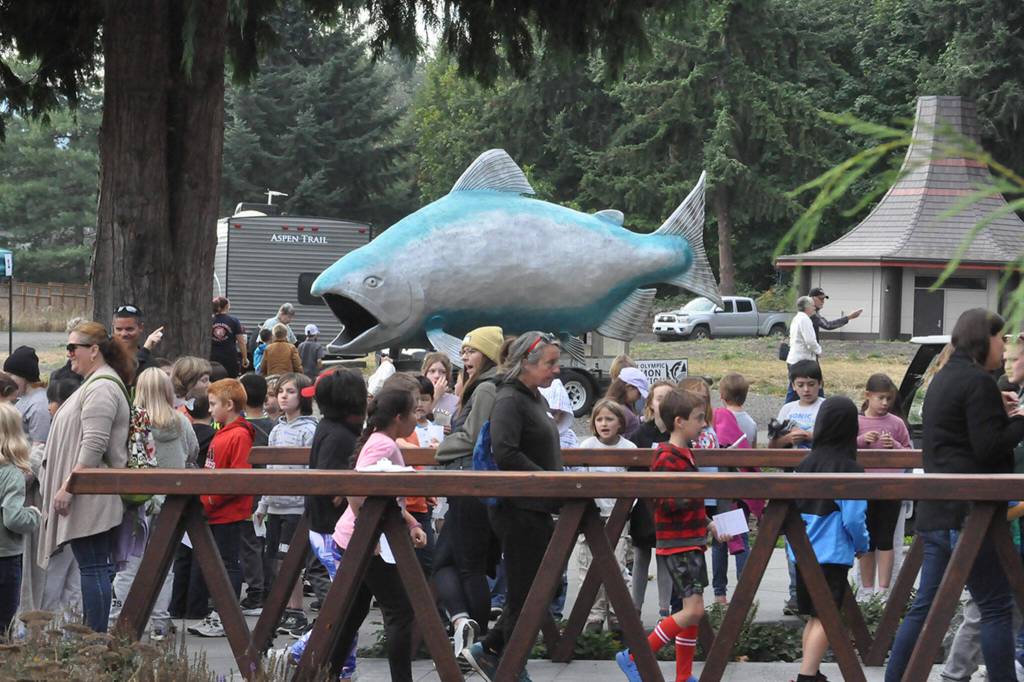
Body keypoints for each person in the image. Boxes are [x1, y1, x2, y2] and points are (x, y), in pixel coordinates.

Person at [886, 308, 1024, 682]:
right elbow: (988, 448)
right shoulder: (978, 383)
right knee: (996, 606)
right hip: (969, 515)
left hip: (937, 511)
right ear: (985, 339)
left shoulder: (943, 378)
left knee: (926, 608)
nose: (1003, 346)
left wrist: (1004, 417)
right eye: (1001, 339)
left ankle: (895, 678)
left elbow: (960, 438)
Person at [461, 331, 563, 681]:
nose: (557, 370)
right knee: (527, 591)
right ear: (526, 364)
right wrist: (550, 484)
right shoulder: (509, 399)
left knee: (538, 588)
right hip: (518, 507)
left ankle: (490, 649)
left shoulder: (534, 398)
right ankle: (506, 660)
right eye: (550, 363)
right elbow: (506, 451)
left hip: (535, 505)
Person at [616, 388, 729, 682]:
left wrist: (707, 523)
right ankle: (634, 656)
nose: (703, 424)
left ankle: (683, 675)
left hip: (690, 542)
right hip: (678, 545)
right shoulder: (666, 457)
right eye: (698, 419)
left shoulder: (683, 453)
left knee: (690, 612)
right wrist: (694, 491)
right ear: (679, 422)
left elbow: (686, 501)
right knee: (692, 611)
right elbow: (664, 501)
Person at [38, 320, 133, 633]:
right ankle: (94, 637)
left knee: (93, 567)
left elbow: (94, 444)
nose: (69, 355)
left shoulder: (103, 386)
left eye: (72, 348)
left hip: (92, 495)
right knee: (93, 567)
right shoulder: (98, 381)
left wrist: (68, 487)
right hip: (90, 493)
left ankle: (94, 639)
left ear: (94, 350)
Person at [332, 388, 427, 682]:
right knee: (400, 611)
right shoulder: (383, 445)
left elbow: (383, 501)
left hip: (356, 539)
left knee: (351, 615)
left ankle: (327, 673)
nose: (416, 417)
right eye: (413, 412)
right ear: (399, 417)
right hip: (362, 541)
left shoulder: (381, 441)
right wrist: (368, 536)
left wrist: (410, 523)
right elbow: (359, 489)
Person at [109, 367, 197, 639]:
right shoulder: (181, 422)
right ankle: (160, 621)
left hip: (140, 504)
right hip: (172, 503)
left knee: (128, 566)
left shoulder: (134, 421)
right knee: (164, 566)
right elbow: (192, 452)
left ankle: (119, 620)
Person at [433, 326, 504, 653]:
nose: (464, 356)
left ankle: (474, 642)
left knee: (467, 566)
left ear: (488, 354)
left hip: (472, 482)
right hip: (470, 483)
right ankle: (463, 623)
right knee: (446, 562)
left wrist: (441, 448)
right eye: (462, 351)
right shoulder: (480, 387)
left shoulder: (487, 388)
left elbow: (476, 437)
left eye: (471, 350)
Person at [788, 396, 869, 682]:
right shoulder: (850, 470)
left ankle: (811, 672)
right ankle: (807, 676)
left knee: (814, 615)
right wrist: (862, 545)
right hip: (831, 553)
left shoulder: (806, 463)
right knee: (826, 616)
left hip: (802, 552)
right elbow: (853, 518)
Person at [187, 378, 255, 638]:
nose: (211, 408)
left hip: (227, 511)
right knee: (220, 563)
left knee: (228, 564)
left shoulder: (238, 434)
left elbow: (237, 476)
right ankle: (219, 612)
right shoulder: (225, 431)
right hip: (216, 509)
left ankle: (225, 615)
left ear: (229, 405)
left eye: (214, 404)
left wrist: (212, 499)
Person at [256, 372, 316, 637]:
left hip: (296, 507)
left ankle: (296, 610)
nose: (283, 395)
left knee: (290, 559)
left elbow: (310, 469)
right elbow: (270, 469)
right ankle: (284, 608)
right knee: (275, 560)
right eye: (280, 391)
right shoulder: (276, 429)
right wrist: (263, 504)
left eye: (290, 391)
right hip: (276, 506)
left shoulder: (309, 430)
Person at [23, 377, 82, 618]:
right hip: (81, 519)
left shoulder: (59, 435)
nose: (49, 407)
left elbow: (45, 470)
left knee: (51, 581)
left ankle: (46, 629)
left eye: (53, 402)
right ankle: (72, 628)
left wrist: (32, 459)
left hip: (58, 521)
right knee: (73, 582)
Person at [576, 398, 635, 633]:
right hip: (593, 518)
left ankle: (619, 616)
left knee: (618, 567)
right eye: (599, 419)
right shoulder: (587, 446)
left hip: (618, 518)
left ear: (619, 423)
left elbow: (636, 484)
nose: (604, 423)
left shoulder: (629, 449)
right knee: (588, 567)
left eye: (609, 419)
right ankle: (594, 616)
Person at [855, 373, 911, 600]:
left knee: (886, 540)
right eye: (881, 398)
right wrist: (861, 441)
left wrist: (895, 446)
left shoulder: (896, 423)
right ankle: (866, 589)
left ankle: (884, 590)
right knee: (867, 540)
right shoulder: (856, 422)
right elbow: (845, 449)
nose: (885, 404)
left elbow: (910, 452)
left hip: (890, 488)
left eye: (889, 399)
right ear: (868, 396)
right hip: (863, 488)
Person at [630, 380, 676, 619]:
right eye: (659, 398)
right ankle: (634, 608)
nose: (663, 403)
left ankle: (664, 610)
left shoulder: (678, 433)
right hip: (644, 505)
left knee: (665, 555)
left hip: (668, 504)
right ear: (650, 403)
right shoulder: (641, 433)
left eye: (669, 398)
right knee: (641, 554)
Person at [0, 403, 40, 636]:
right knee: (3, 626)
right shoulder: (11, 474)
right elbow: (13, 518)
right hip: (5, 557)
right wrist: (33, 515)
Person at [4, 346, 50, 444]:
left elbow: (39, 449)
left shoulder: (39, 405)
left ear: (25, 376)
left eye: (11, 375)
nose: (7, 380)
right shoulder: (24, 397)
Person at [785, 296, 822, 404]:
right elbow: (810, 341)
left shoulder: (797, 318)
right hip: (802, 360)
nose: (814, 307)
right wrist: (819, 351)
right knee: (811, 386)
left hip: (793, 358)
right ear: (807, 307)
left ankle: (787, 412)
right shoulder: (805, 319)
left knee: (795, 387)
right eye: (812, 305)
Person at [112, 304, 164, 382]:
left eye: (129, 329)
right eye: (119, 329)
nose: (123, 334)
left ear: (141, 328)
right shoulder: (105, 358)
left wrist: (145, 352)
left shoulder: (150, 364)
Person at [605, 367, 649, 440]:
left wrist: (639, 420)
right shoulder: (622, 410)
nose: (639, 398)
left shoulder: (610, 405)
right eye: (639, 393)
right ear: (629, 387)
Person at [210, 297, 248, 378]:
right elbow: (241, 342)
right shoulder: (234, 321)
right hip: (229, 358)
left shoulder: (209, 320)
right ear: (227, 306)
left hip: (212, 357)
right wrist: (245, 358)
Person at [421, 352, 459, 428]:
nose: (437, 375)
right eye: (432, 371)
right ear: (425, 373)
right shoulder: (417, 396)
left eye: (442, 372)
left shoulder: (456, 401)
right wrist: (436, 396)